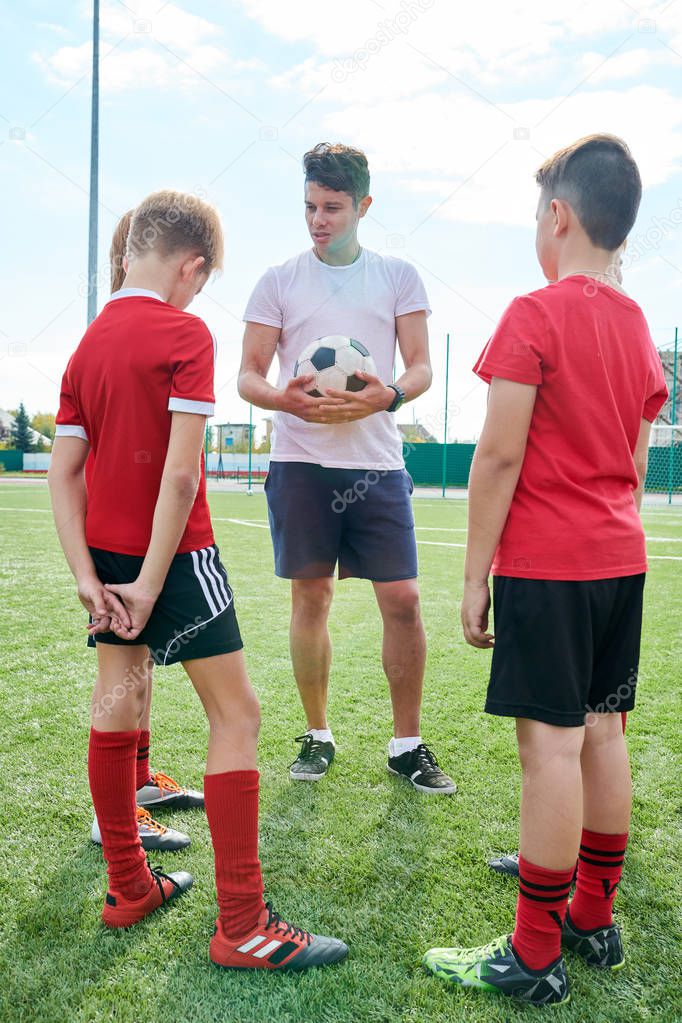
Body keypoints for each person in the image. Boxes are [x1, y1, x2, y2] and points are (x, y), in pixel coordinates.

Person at [49, 189, 347, 970]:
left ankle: (129, 887)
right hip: (174, 558)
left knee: (119, 700)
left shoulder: (85, 347)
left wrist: (90, 577)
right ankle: (243, 923)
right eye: (200, 281)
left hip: (106, 560)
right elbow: (180, 478)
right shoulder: (183, 330)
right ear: (192, 266)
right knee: (238, 714)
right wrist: (152, 582)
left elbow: (64, 471)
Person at [422, 135, 668, 1006]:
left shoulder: (534, 313)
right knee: (605, 732)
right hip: (618, 558)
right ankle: (593, 914)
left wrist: (473, 572)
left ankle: (533, 951)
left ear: (557, 217)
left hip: (551, 564)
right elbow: (636, 464)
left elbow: (496, 458)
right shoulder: (638, 324)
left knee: (551, 748)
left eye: (536, 213)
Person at [238, 142, 455, 793]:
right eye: (309, 206)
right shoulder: (278, 280)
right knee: (312, 597)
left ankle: (406, 742)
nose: (318, 219)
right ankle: (318, 732)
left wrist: (387, 394)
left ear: (363, 205)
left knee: (405, 601)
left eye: (332, 207)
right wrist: (285, 398)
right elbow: (248, 376)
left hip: (378, 465)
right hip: (301, 463)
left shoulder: (397, 276)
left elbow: (420, 366)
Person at [89, 208, 202, 856]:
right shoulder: (135, 335)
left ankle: (135, 787)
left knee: (135, 668)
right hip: (129, 530)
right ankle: (114, 815)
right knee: (121, 674)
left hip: (123, 530)